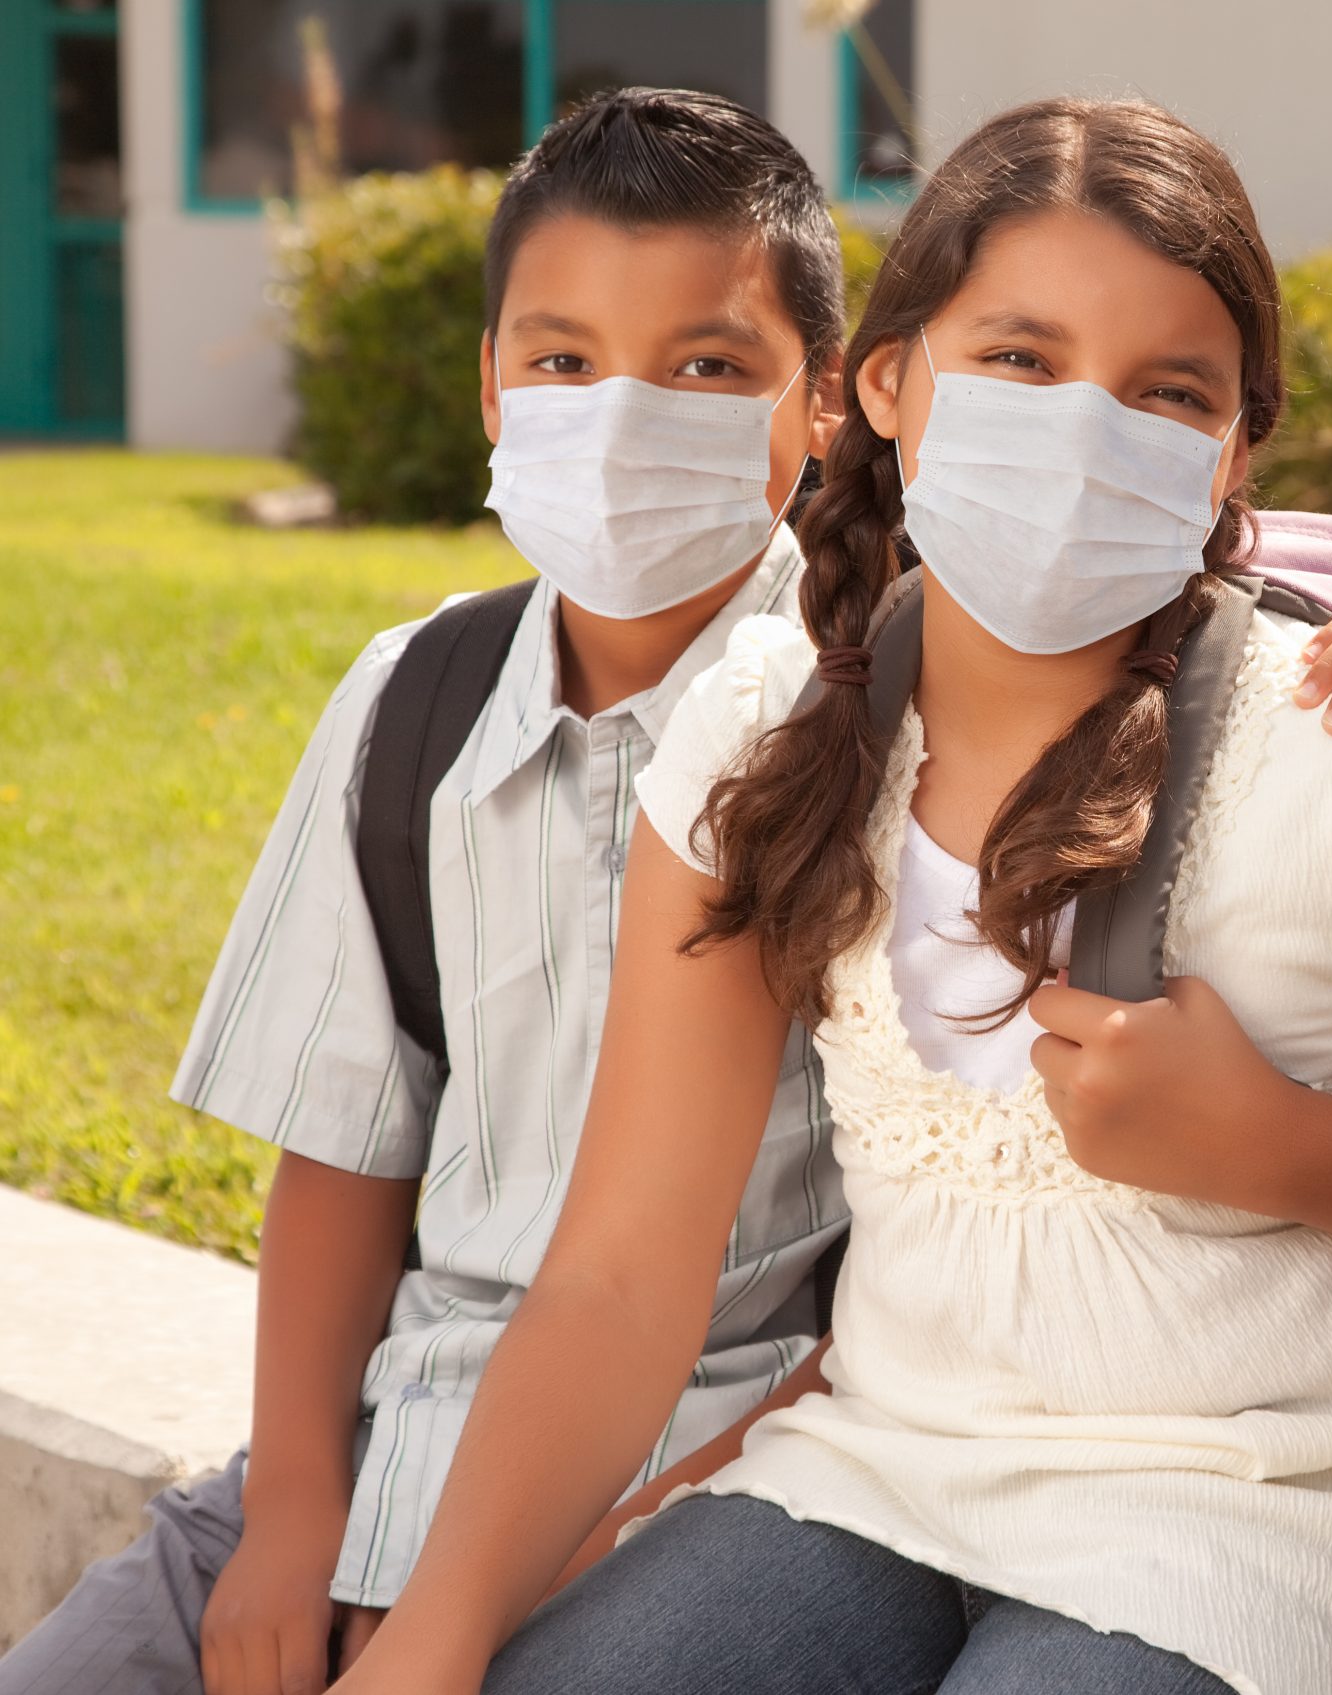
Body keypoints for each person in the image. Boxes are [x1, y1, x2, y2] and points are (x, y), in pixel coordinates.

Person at [328, 96, 1332, 1695]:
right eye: (1021, 359)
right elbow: (619, 1278)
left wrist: (1284, 1151)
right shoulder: (764, 734)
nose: (1085, 426)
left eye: (1167, 392)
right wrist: (436, 1638)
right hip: (876, 1477)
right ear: (886, 383)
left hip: (1270, 1523)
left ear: (1234, 451)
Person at [0, 88, 865, 1695]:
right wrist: (294, 1516)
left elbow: (903, 1300)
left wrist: (520, 1573)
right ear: (491, 385)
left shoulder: (872, 731)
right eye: (561, 360)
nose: (621, 415)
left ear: (823, 402)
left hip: (721, 1488)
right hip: (379, 1452)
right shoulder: (417, 703)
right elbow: (346, 1149)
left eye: (707, 366)